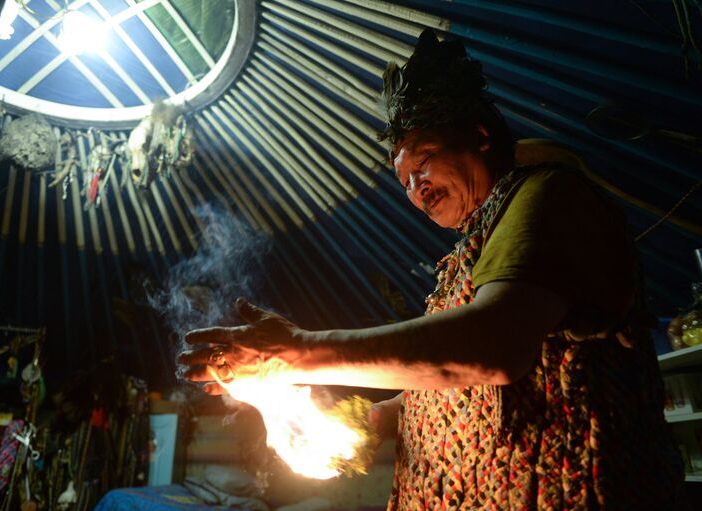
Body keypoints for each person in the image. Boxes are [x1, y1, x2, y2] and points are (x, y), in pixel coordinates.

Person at [181, 29, 686, 510]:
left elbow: (493, 348)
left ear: (479, 136)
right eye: (404, 181)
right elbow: (458, 379)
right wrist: (373, 418)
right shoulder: (475, 248)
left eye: (424, 161)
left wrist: (297, 354)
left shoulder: (547, 195)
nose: (416, 188)